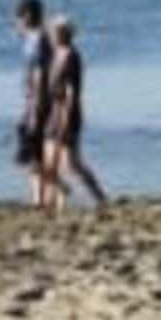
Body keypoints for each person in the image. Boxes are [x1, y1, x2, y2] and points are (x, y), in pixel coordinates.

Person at [41, 15, 109, 210]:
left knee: (72, 164)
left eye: (55, 31)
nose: (52, 34)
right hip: (54, 112)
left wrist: (65, 120)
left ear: (64, 33)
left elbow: (71, 92)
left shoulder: (71, 57)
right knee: (47, 163)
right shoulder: (56, 54)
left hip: (67, 114)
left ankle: (99, 197)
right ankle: (57, 198)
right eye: (52, 30)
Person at [12, 0, 54, 207]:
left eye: (19, 17)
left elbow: (40, 75)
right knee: (33, 151)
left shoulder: (39, 40)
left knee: (32, 151)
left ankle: (53, 191)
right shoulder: (33, 38)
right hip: (32, 99)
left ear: (28, 16)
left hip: (39, 101)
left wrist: (35, 108)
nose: (17, 21)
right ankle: (39, 197)